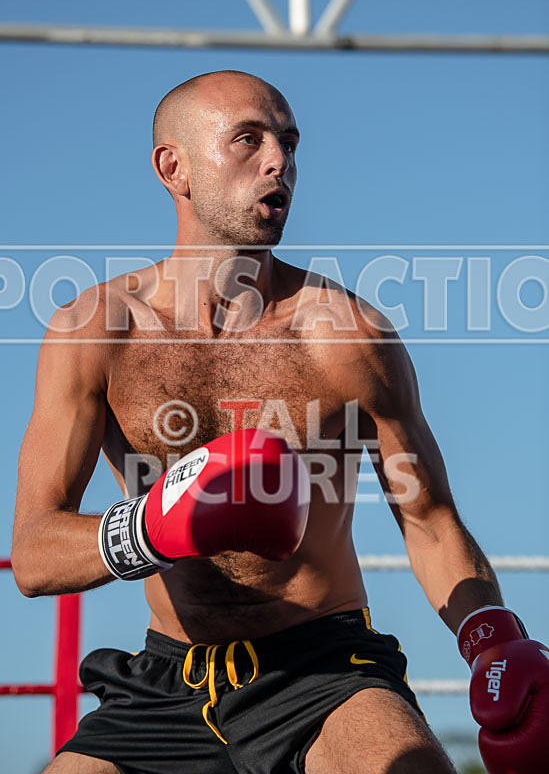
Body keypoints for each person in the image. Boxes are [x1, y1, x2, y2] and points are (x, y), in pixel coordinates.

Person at [11, 71, 548, 774]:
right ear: (174, 168)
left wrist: (493, 640)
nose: (279, 162)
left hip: (322, 671)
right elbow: (34, 554)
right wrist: (157, 527)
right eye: (248, 139)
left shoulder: (348, 334)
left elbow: (429, 520)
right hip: (166, 684)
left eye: (289, 143)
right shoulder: (96, 331)